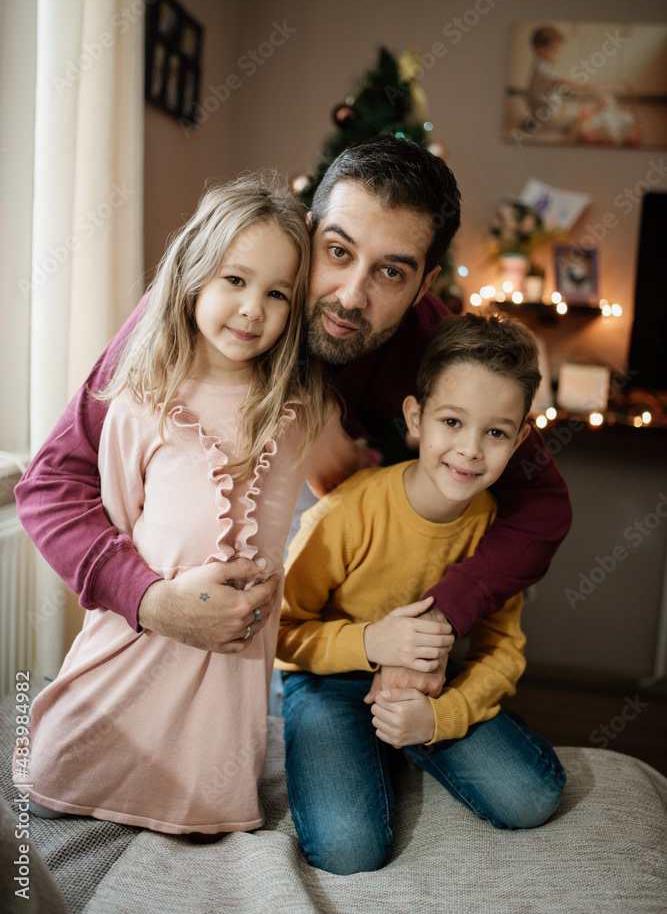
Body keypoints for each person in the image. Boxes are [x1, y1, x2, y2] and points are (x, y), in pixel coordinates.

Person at [15, 136, 572, 704]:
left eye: (391, 273)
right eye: (337, 251)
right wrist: (151, 602)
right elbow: (52, 484)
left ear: (425, 284)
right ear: (308, 232)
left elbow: (544, 507)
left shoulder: (436, 353)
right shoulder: (201, 309)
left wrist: (440, 621)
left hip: (349, 623)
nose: (351, 296)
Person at [16, 175, 336, 835]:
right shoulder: (138, 401)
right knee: (51, 776)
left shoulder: (302, 413)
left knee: (208, 811)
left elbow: (356, 484)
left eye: (277, 294)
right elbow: (114, 522)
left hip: (227, 684)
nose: (252, 309)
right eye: (233, 280)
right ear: (191, 277)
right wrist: (162, 601)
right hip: (132, 652)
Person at [276, 313, 566, 875]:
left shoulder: (496, 531)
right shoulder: (347, 513)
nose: (470, 451)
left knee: (530, 798)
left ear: (521, 439)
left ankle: (406, 739)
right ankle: (382, 744)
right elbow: (282, 635)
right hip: (329, 681)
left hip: (432, 689)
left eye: (497, 432)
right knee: (346, 847)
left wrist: (443, 717)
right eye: (452, 421)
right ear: (416, 416)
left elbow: (501, 651)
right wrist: (371, 643)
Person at [527, 25, 639, 144]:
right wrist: (583, 85)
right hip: (542, 108)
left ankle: (539, 121)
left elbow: (551, 87)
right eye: (553, 49)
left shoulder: (544, 63)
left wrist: (560, 99)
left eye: (557, 50)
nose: (556, 53)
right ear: (540, 50)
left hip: (545, 103)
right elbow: (560, 81)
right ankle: (539, 123)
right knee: (570, 121)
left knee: (571, 115)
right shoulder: (542, 67)